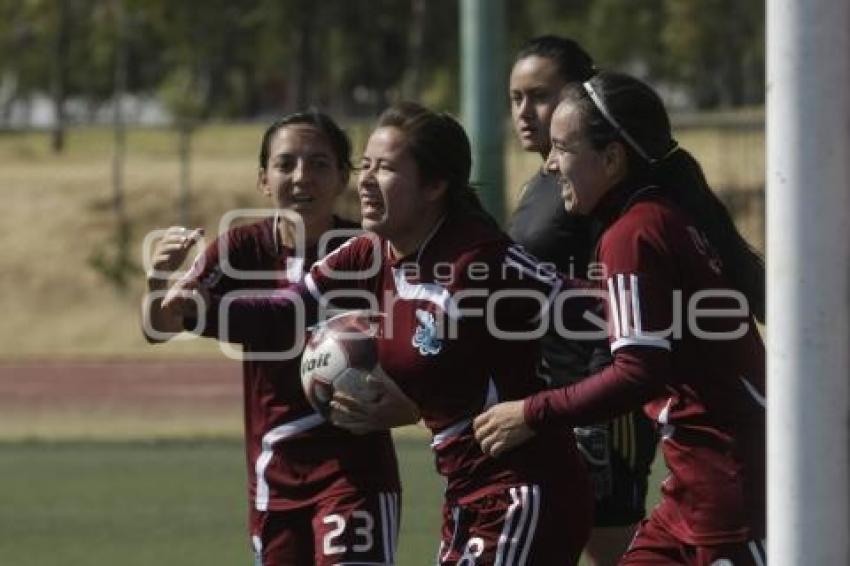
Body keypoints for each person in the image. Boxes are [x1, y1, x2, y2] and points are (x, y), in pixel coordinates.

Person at [170, 102, 593, 565]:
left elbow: (609, 318)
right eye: (365, 165)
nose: (366, 180)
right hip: (466, 495)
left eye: (386, 168)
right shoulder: (369, 253)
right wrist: (198, 311)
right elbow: (284, 312)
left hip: (524, 491)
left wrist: (540, 410)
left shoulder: (480, 261)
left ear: (434, 185)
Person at [474, 71, 766, 566]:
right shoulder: (655, 218)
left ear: (612, 158)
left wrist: (530, 413)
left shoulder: (634, 231)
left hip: (730, 489)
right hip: (693, 491)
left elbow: (638, 371)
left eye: (561, 148)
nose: (548, 165)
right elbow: (638, 312)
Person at [142, 111, 408, 566]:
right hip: (274, 476)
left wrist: (409, 405)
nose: (302, 176)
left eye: (320, 163)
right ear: (264, 179)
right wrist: (158, 283)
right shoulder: (240, 250)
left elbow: (423, 344)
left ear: (344, 176)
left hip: (355, 470)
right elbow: (161, 326)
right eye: (286, 164)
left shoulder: (372, 252)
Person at [508, 36, 658, 565]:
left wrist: (592, 415)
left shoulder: (598, 185)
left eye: (540, 95)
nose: (526, 112)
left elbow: (613, 297)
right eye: (515, 98)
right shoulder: (544, 182)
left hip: (598, 409)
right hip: (553, 404)